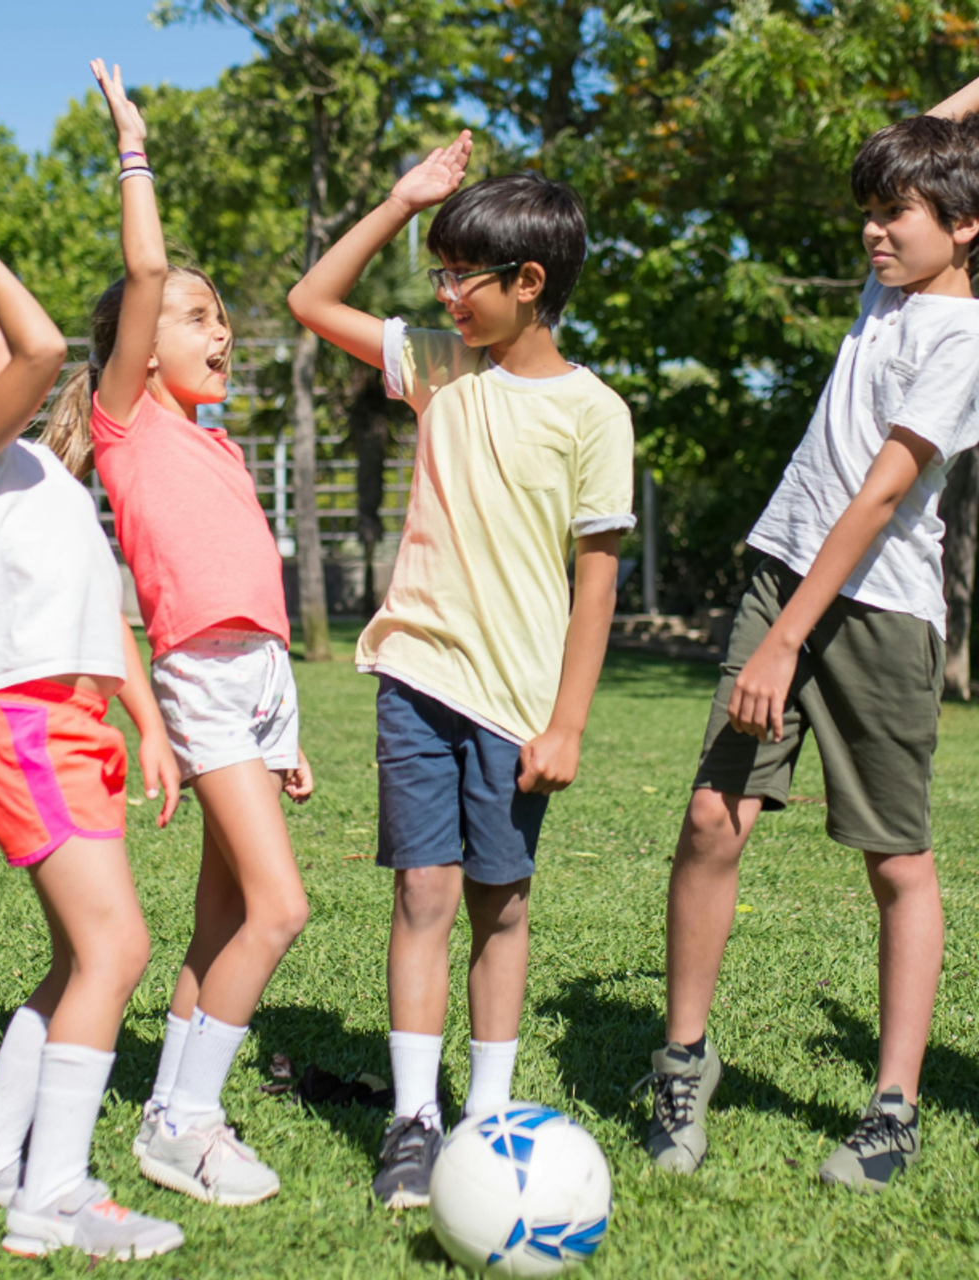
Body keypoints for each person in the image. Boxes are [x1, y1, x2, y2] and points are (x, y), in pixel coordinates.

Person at [639, 47, 979, 1195]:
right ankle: (681, 1062)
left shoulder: (962, 337)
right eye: (870, 213)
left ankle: (890, 1105)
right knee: (711, 817)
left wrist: (788, 637)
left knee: (894, 857)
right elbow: (920, 140)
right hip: (782, 575)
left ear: (966, 222)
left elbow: (884, 491)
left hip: (875, 614)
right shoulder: (888, 289)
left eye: (892, 215)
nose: (871, 232)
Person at [288, 136, 634, 1209]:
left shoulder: (593, 412)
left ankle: (488, 1119)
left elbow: (595, 582)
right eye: (435, 275)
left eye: (459, 278)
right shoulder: (439, 368)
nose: (443, 295)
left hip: (517, 704)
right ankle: (412, 1119)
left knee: (501, 903)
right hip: (416, 674)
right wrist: (401, 198)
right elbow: (310, 298)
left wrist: (566, 722)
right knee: (422, 890)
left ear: (528, 284)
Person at [0, 182, 185, 1263]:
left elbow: (97, 602)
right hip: (21, 724)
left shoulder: (37, 473)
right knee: (117, 947)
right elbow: (48, 348)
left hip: (74, 719)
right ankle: (52, 1195)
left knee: (75, 966)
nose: (13, 329)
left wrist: (145, 719)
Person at [40, 59, 313, 1209]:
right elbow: (144, 265)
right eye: (198, 317)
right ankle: (181, 1118)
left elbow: (251, 597)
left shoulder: (218, 446)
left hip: (252, 677)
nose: (221, 332)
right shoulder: (127, 422)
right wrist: (132, 147)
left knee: (217, 919)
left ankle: (172, 1099)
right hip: (198, 676)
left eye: (221, 318)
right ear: (140, 345)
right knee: (280, 908)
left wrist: (286, 721)